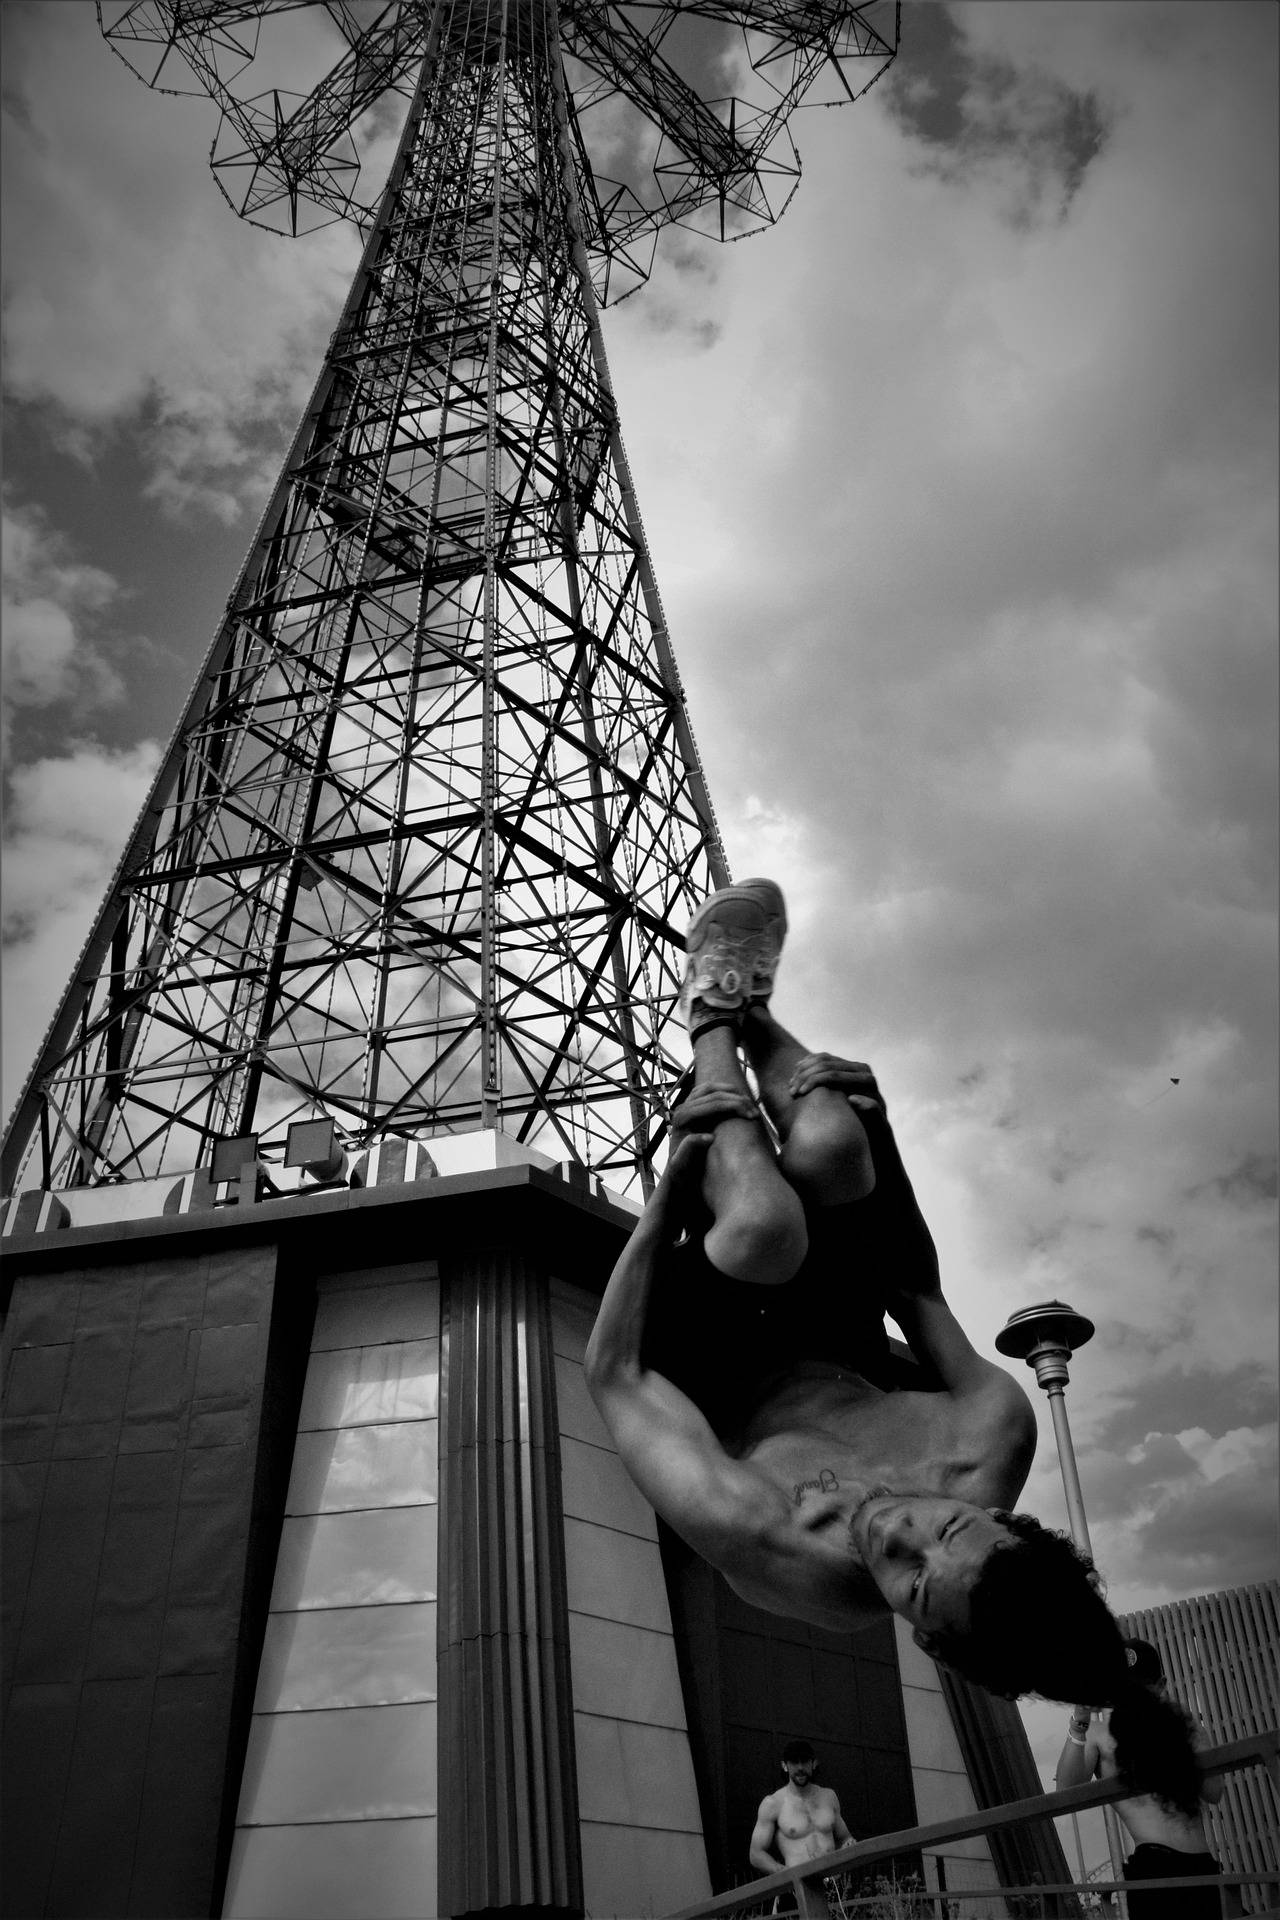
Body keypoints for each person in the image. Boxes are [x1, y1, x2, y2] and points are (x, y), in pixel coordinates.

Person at [585, 878, 1214, 1773]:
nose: (899, 1538)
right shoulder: (987, 1431)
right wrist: (882, 1135)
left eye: (913, 1586)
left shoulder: (777, 1544)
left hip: (698, 1356)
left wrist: (666, 1203)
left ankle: (708, 1025)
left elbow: (616, 1376)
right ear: (1007, 1520)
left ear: (924, 1639)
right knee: (836, 1147)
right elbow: (914, 1286)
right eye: (947, 1531)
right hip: (827, 1334)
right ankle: (746, 1010)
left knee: (765, 1224)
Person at [1055, 1638, 1234, 1918]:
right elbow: (1065, 1791)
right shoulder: (1099, 1734)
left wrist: (1187, 1739)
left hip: (1201, 1864)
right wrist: (1079, 1723)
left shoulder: (1182, 1724)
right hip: (1153, 1864)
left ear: (1160, 1686)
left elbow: (1214, 1791)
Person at [749, 1739, 852, 1876]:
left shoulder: (828, 1796)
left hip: (833, 1883)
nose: (800, 1768)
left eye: (804, 1761)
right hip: (798, 1886)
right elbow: (756, 1854)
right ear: (785, 1766)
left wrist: (849, 1844)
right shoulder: (773, 1803)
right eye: (794, 1762)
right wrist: (784, 1873)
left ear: (813, 1763)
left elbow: (845, 1838)